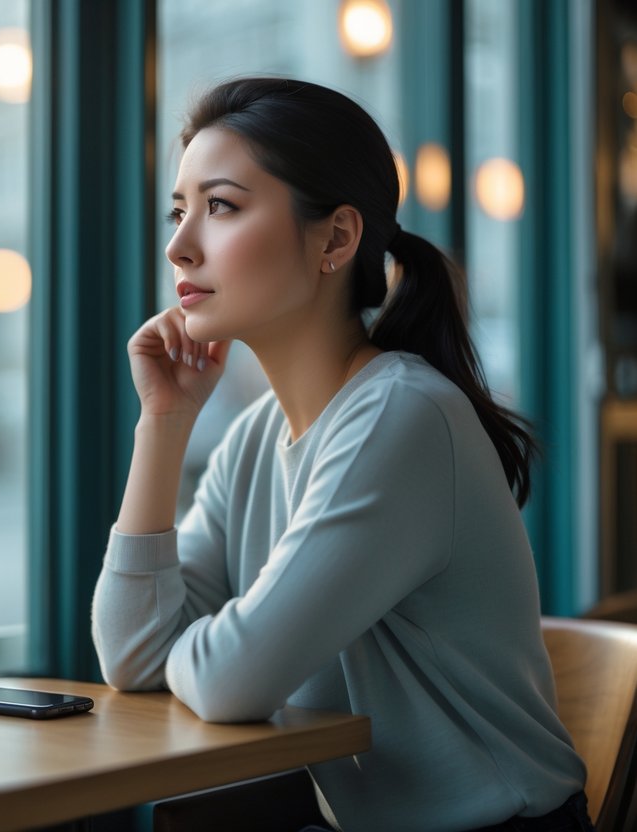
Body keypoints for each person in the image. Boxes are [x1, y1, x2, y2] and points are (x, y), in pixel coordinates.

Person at [91, 77, 593, 832]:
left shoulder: (400, 416)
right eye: (178, 209)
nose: (177, 244)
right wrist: (162, 424)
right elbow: (131, 656)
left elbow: (232, 681)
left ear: (335, 238)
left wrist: (195, 650)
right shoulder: (255, 437)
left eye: (220, 206)